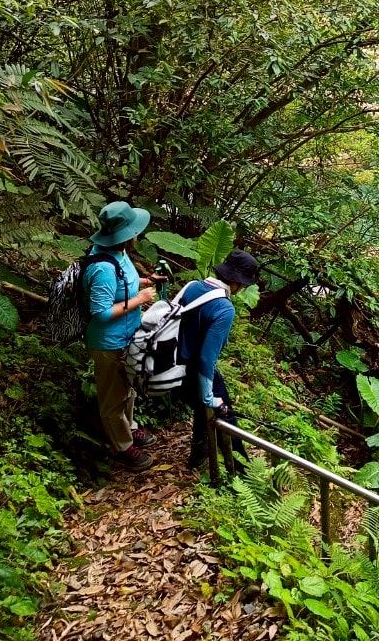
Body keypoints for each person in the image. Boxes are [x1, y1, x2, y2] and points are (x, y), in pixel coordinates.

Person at [84, 200, 164, 472]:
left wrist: (146, 282)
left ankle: (129, 428)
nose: (137, 235)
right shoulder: (102, 267)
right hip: (109, 343)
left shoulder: (117, 253)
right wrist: (139, 299)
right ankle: (121, 446)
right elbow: (100, 312)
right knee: (112, 398)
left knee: (128, 388)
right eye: (134, 230)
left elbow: (123, 283)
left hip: (128, 337)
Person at [175, 249, 260, 469]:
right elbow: (206, 359)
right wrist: (209, 398)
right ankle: (244, 473)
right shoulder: (224, 308)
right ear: (237, 282)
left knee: (204, 410)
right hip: (194, 369)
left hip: (173, 364)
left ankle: (198, 456)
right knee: (224, 415)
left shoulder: (192, 286)